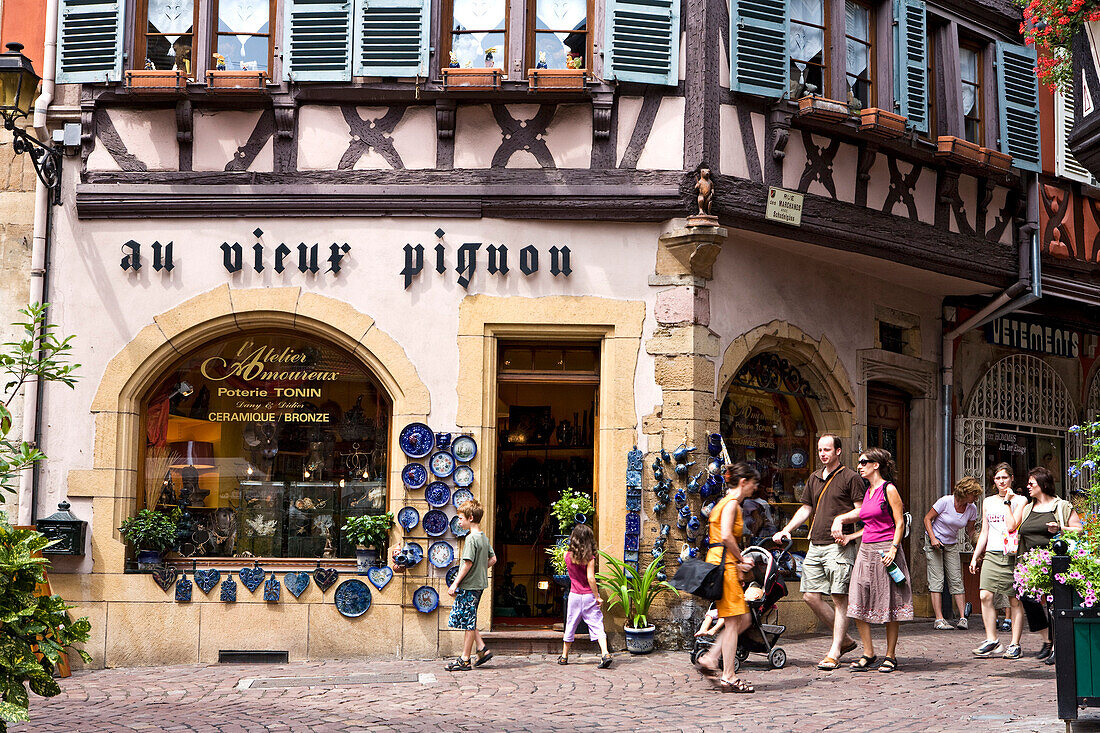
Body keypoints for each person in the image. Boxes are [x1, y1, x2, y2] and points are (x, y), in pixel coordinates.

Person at [772, 434, 866, 671]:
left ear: (838, 452)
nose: (823, 453)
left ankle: (834, 651)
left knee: (838, 599)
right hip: (815, 543)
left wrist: (841, 519)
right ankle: (844, 640)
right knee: (810, 596)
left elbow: (862, 512)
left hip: (840, 545)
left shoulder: (851, 478)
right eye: (820, 450)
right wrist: (786, 529)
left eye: (827, 449)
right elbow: (806, 509)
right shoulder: (814, 477)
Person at [833, 447, 913, 673]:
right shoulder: (867, 492)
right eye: (859, 462)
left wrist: (893, 549)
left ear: (876, 465)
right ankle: (868, 652)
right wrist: (850, 535)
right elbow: (868, 523)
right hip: (866, 551)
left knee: (890, 603)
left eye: (863, 462)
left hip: (886, 551)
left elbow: (899, 523)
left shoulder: (889, 489)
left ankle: (890, 655)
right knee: (856, 601)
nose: (859, 466)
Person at [696, 462, 759, 692]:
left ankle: (711, 659)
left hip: (719, 560)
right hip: (726, 563)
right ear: (743, 482)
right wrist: (741, 558)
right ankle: (729, 675)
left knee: (741, 620)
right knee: (735, 621)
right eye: (753, 483)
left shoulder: (722, 502)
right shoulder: (733, 504)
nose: (754, 488)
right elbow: (726, 536)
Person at [1012, 466, 1083, 665]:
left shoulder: (1061, 506)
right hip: (1030, 564)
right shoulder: (1028, 508)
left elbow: (1078, 530)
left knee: (1054, 605)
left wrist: (1060, 528)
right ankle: (1047, 638)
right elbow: (1016, 528)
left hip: (1054, 563)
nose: (1027, 487)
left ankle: (1057, 647)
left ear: (1042, 484)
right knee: (1026, 597)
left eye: (1031, 483)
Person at [969, 463, 1028, 658]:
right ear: (993, 481)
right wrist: (976, 555)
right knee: (985, 595)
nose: (1001, 481)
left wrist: (1008, 502)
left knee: (1014, 600)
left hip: (1012, 554)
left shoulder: (1021, 500)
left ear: (1012, 478)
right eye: (997, 478)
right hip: (993, 553)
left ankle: (1014, 643)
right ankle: (992, 639)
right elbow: (985, 531)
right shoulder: (987, 502)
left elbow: (1012, 526)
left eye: (1005, 477)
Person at [445, 498, 497, 671]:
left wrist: (454, 584)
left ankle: (465, 659)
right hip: (479, 584)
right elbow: (493, 559)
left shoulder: (471, 539)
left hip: (469, 585)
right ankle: (481, 648)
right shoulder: (483, 537)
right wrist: (480, 569)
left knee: (467, 621)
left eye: (461, 518)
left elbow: (467, 564)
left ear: (471, 518)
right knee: (469, 617)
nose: (459, 521)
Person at [923, 476, 981, 630]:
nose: (976, 498)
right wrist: (933, 539)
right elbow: (927, 519)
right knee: (937, 579)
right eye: (974, 495)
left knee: (956, 579)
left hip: (951, 543)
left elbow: (970, 530)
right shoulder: (945, 502)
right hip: (934, 543)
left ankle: (963, 618)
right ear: (965, 492)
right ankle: (939, 619)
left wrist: (978, 545)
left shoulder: (971, 509)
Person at [558, 523, 612, 668]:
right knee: (597, 625)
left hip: (574, 595)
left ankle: (564, 656)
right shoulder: (590, 558)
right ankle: (605, 653)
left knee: (570, 624)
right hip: (588, 595)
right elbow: (591, 578)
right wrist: (597, 596)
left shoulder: (566, 556)